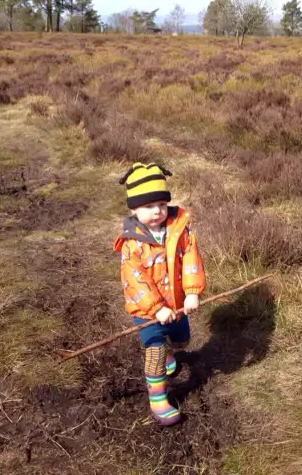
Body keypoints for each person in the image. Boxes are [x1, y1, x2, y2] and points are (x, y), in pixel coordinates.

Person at [113, 162, 205, 426]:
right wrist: (155, 308)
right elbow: (135, 280)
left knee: (181, 341)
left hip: (176, 303)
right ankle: (158, 400)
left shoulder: (179, 231)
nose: (157, 211)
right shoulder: (132, 244)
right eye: (148, 206)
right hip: (148, 311)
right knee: (154, 351)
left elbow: (190, 259)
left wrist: (191, 292)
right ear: (133, 209)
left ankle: (169, 354)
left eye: (162, 205)